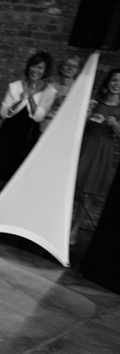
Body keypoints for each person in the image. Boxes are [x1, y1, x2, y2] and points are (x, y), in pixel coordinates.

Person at [0, 52, 56, 206]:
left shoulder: (49, 91)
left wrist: (30, 99)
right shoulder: (15, 86)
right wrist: (20, 101)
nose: (35, 70)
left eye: (40, 68)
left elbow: (39, 117)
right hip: (9, 133)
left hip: (28, 135)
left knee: (16, 177)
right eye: (33, 66)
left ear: (45, 71)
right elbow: (4, 112)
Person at [72, 68, 120, 244]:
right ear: (108, 81)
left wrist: (115, 124)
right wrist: (87, 112)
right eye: (115, 80)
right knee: (71, 188)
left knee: (87, 194)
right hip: (84, 145)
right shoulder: (96, 102)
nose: (117, 85)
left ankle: (75, 230)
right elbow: (80, 126)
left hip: (101, 151)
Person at [42, 55, 80, 130]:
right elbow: (40, 109)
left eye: (74, 66)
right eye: (67, 65)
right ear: (61, 68)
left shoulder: (78, 89)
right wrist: (54, 103)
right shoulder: (50, 86)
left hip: (65, 127)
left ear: (77, 71)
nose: (70, 68)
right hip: (47, 126)